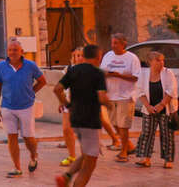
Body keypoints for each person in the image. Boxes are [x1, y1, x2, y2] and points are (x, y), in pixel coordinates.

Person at [54, 44, 112, 187]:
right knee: (90, 164)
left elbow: (57, 89)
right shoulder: (98, 73)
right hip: (91, 120)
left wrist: (67, 105)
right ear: (99, 57)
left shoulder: (73, 70)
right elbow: (102, 97)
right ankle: (71, 181)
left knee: (87, 153)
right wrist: (111, 105)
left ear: (84, 56)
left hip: (76, 119)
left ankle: (66, 176)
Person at [0, 38, 47, 178]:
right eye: (10, 50)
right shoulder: (1, 66)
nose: (12, 52)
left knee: (28, 138)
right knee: (12, 137)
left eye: (15, 50)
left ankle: (33, 156)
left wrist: (31, 92)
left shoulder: (31, 65)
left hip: (26, 107)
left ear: (21, 51)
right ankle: (17, 168)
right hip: (7, 107)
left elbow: (42, 81)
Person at [99, 33, 141, 162]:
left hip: (125, 96)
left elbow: (136, 77)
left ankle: (124, 152)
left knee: (123, 125)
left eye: (116, 43)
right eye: (112, 43)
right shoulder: (108, 56)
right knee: (115, 124)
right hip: (111, 96)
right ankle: (129, 146)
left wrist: (118, 75)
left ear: (123, 44)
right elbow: (101, 73)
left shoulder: (132, 58)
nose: (113, 45)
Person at [134, 51, 176, 168]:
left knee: (167, 134)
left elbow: (171, 91)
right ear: (150, 62)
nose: (161, 62)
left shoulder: (168, 73)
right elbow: (140, 91)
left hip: (165, 109)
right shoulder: (143, 74)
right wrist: (148, 106)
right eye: (158, 60)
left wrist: (161, 105)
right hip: (149, 109)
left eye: (162, 60)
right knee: (146, 133)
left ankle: (168, 160)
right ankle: (145, 158)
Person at [60, 47, 82, 167]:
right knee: (66, 130)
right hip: (69, 104)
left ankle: (86, 158)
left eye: (80, 55)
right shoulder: (68, 70)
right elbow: (62, 87)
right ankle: (72, 156)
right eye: (75, 55)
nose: (77, 58)